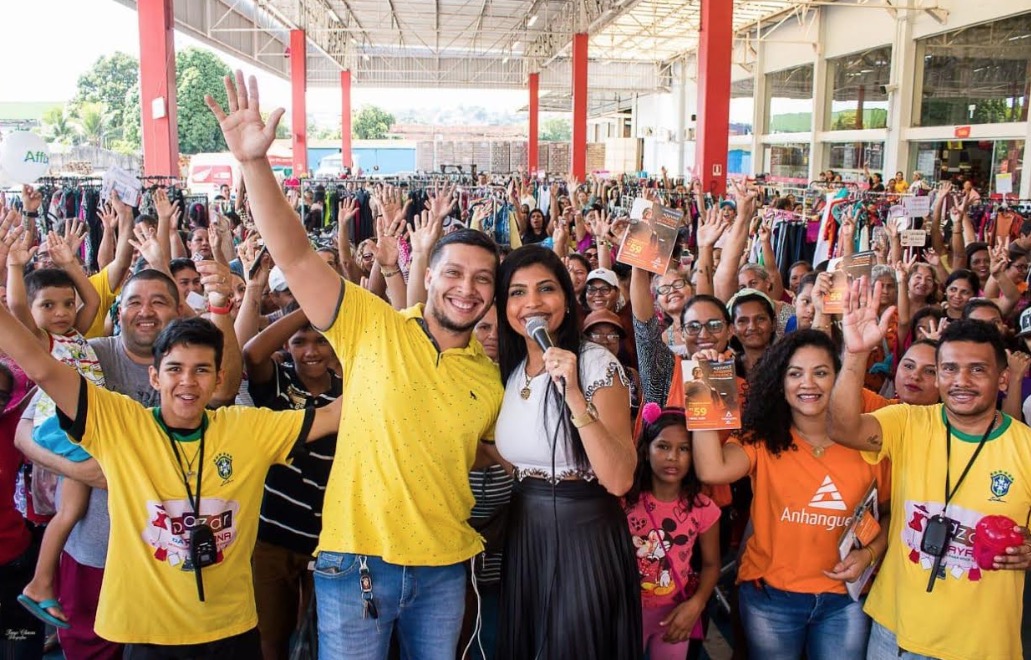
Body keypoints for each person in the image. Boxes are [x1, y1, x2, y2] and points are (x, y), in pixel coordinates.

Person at [207, 72, 504, 659]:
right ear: (432, 275)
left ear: (494, 296)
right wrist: (254, 165)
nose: (465, 289)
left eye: (482, 279)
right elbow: (292, 254)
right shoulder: (373, 326)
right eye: (452, 273)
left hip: (446, 567)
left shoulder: (490, 377)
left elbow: (487, 454)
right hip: (355, 563)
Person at [828, 280, 1031, 660]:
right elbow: (842, 428)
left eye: (977, 370)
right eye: (950, 368)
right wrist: (855, 354)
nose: (961, 381)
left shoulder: (1026, 449)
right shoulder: (908, 422)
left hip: (982, 645)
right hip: (897, 635)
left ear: (1002, 379)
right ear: (937, 376)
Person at [693, 330, 890, 660]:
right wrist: (704, 389)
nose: (808, 384)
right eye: (795, 373)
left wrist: (869, 554)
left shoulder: (870, 443)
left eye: (821, 372)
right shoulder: (761, 440)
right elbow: (712, 471)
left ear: (840, 379)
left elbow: (888, 514)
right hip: (772, 599)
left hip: (846, 602)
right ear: (779, 384)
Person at [492, 245, 640, 659]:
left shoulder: (596, 365)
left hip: (584, 533)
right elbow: (520, 456)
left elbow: (619, 477)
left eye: (545, 289)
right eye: (517, 293)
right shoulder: (514, 367)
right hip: (526, 530)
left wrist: (573, 393)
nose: (532, 303)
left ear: (567, 299)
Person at [242, 307, 341, 660]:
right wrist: (307, 306)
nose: (311, 351)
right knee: (272, 635)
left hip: (327, 538)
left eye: (320, 341)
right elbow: (252, 354)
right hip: (272, 537)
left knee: (325, 635)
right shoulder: (279, 385)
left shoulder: (349, 392)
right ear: (287, 345)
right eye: (299, 342)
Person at [624, 403, 720, 660]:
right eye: (663, 446)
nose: (672, 457)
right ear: (646, 451)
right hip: (625, 613)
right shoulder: (623, 503)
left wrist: (696, 604)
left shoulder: (704, 508)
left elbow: (711, 565)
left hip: (675, 614)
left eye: (684, 449)